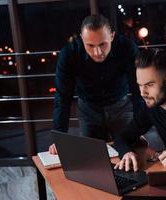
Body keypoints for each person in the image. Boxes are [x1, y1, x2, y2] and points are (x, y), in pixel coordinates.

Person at [49, 14, 142, 154]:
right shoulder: (69, 54)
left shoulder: (127, 48)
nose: (97, 52)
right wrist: (59, 135)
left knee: (130, 153)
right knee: (93, 159)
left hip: (121, 108)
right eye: (90, 45)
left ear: (112, 36)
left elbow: (138, 89)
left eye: (102, 44)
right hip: (88, 110)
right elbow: (63, 96)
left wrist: (139, 127)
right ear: (81, 38)